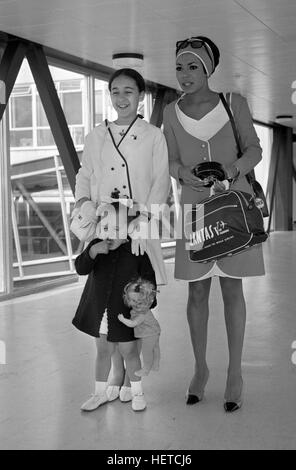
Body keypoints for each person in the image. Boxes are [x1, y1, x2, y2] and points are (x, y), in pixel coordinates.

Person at [163, 36, 265, 412]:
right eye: (179, 67)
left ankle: (235, 373)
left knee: (232, 290)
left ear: (208, 68)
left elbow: (254, 148)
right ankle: (200, 369)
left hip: (234, 207)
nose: (185, 74)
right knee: (196, 292)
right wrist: (181, 173)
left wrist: (233, 168)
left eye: (192, 66)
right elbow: (169, 159)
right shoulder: (170, 113)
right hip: (195, 213)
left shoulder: (234, 103)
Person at [73, 68, 170, 407]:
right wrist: (84, 202)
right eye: (115, 91)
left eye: (129, 91)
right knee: (106, 304)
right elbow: (85, 174)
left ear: (140, 95)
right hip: (104, 226)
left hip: (137, 229)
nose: (121, 97)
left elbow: (161, 181)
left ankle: (129, 378)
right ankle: (115, 376)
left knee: (132, 302)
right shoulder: (95, 136)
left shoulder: (153, 136)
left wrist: (145, 218)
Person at [72, 198, 157, 412]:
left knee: (129, 352)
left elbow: (149, 279)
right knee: (102, 351)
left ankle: (137, 392)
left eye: (117, 228)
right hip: (101, 312)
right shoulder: (95, 246)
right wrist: (91, 253)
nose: (110, 233)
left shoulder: (135, 251)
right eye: (106, 227)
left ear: (128, 228)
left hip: (124, 313)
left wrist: (145, 302)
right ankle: (99, 393)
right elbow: (80, 268)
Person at [118, 277, 161, 377]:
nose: (136, 303)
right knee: (155, 348)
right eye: (133, 300)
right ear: (127, 298)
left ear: (146, 301)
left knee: (147, 351)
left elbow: (133, 323)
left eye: (140, 301)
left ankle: (146, 369)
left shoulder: (141, 314)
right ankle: (155, 364)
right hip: (155, 331)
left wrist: (122, 319)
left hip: (148, 334)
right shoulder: (144, 309)